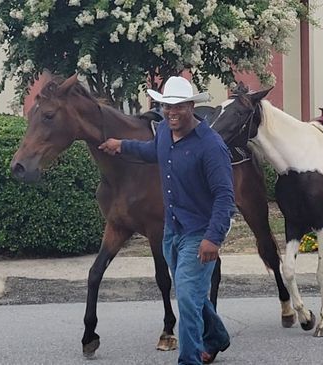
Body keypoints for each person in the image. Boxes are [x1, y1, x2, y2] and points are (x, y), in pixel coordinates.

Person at [99, 76, 234, 365]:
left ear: (190, 106)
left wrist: (214, 238)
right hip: (172, 231)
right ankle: (217, 336)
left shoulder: (211, 146)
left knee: (186, 297)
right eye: (165, 107)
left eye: (177, 107)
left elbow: (225, 197)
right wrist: (121, 145)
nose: (171, 112)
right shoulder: (163, 133)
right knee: (191, 292)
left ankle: (190, 359)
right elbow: (152, 152)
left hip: (200, 234)